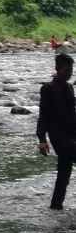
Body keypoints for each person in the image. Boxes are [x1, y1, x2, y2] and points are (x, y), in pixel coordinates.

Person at [38, 52, 76, 210]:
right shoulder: (48, 88)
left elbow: (72, 114)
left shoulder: (69, 87)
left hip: (71, 135)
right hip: (58, 136)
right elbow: (43, 114)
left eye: (71, 71)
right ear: (57, 69)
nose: (68, 74)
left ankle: (55, 206)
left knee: (63, 175)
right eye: (66, 70)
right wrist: (42, 139)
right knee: (64, 172)